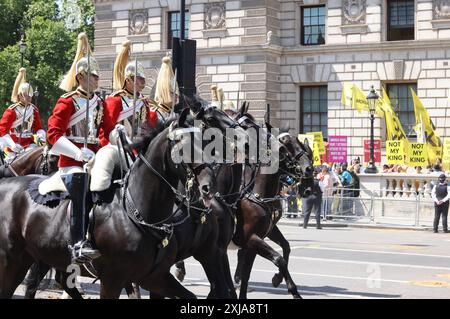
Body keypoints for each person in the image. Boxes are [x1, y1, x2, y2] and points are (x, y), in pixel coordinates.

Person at [45, 32, 108, 264]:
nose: (96, 78)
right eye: (92, 75)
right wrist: (77, 152)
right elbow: (53, 135)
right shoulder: (67, 101)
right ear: (80, 76)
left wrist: (105, 145)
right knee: (81, 187)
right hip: (71, 163)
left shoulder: (99, 103)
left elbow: (103, 132)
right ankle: (78, 243)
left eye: (97, 75)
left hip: (95, 161)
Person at [90, 41, 162, 195]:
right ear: (128, 80)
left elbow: (147, 127)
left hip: (139, 149)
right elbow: (107, 130)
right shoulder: (115, 100)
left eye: (143, 79)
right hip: (118, 147)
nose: (143, 81)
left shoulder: (143, 102)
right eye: (139, 78)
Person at [0, 67, 45, 161]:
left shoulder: (33, 109)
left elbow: (38, 127)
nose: (29, 98)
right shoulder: (11, 110)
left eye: (30, 96)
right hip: (14, 144)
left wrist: (41, 134)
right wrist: (12, 145)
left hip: (30, 144)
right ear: (20, 95)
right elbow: (3, 131)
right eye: (26, 95)